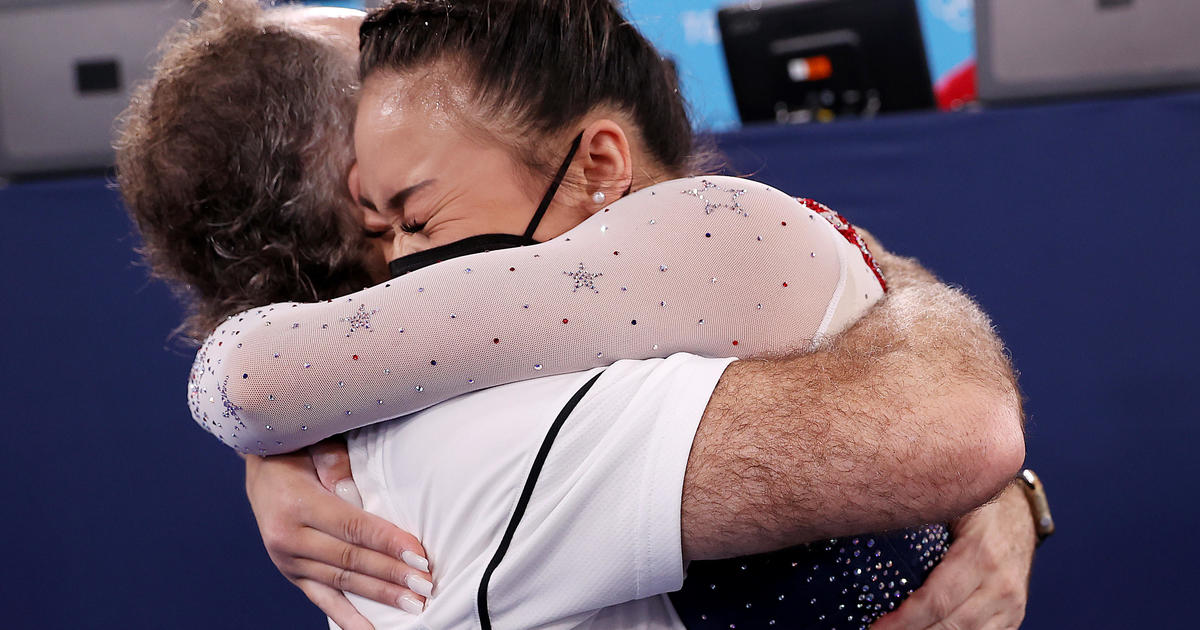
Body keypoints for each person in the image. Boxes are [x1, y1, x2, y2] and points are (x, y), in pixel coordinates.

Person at [116, 1, 1036, 629]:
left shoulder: (581, 319)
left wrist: (1004, 496)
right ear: (366, 200)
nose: (441, 57)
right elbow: (950, 427)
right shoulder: (478, 437)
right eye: (389, 87)